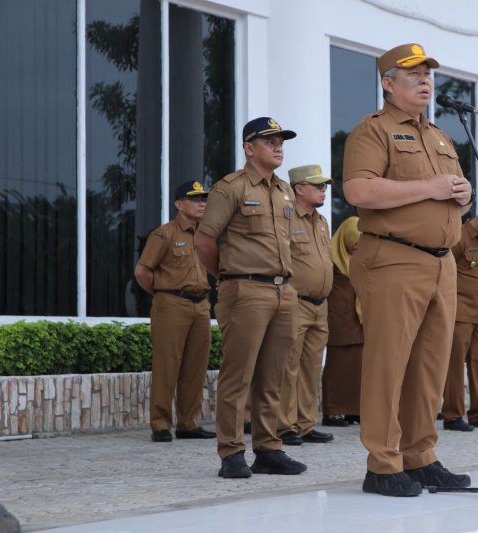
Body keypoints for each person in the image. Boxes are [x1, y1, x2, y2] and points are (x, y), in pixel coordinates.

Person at [342, 43, 474, 497]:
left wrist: (461, 195)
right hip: (394, 259)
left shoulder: (439, 135)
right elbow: (359, 190)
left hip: (442, 264)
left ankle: (421, 456)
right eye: (413, 74)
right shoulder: (372, 131)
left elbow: (442, 192)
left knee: (431, 367)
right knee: (388, 363)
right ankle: (382, 463)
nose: (425, 81)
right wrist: (431, 186)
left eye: (428, 74)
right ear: (387, 83)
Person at [196, 116, 306, 479]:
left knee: (274, 376)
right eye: (270, 141)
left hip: (283, 291)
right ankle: (231, 452)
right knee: (238, 376)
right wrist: (227, 276)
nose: (278, 147)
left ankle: (268, 448)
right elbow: (205, 240)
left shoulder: (285, 191)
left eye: (281, 141)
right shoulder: (231, 188)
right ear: (249, 148)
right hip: (246, 289)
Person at [135, 180, 216, 443]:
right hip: (172, 303)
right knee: (167, 365)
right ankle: (160, 423)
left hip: (201, 304)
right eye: (195, 199)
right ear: (179, 205)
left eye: (204, 199)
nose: (202, 203)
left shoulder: (206, 236)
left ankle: (188, 423)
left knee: (196, 366)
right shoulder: (164, 234)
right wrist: (162, 293)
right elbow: (143, 271)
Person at [276, 165, 335, 446]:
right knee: (289, 366)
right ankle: (284, 425)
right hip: (295, 301)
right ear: (299, 189)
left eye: (325, 186)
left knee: (312, 368)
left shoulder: (321, 221)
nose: (324, 190)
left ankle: (306, 423)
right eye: (318, 185)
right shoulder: (286, 218)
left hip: (320, 305)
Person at [441, 205, 478, 431]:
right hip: (460, 313)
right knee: (455, 366)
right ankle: (453, 415)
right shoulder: (459, 235)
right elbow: (446, 271)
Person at [322, 217, 363, 427]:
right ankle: (333, 411)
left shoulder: (361, 259)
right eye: (354, 242)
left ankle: (354, 410)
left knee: (358, 366)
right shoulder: (331, 259)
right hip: (338, 318)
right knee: (338, 366)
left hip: (359, 320)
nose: (357, 246)